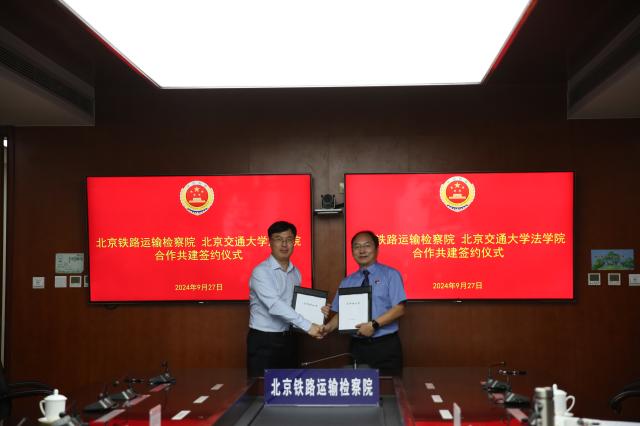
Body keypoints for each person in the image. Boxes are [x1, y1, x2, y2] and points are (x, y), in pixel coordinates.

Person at [321, 230, 407, 375]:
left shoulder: (391, 275)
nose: (362, 250)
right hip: (358, 347)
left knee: (388, 387)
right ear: (352, 251)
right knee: (359, 388)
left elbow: (400, 308)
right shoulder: (347, 281)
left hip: (385, 345)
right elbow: (342, 314)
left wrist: (373, 325)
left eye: (367, 245)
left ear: (376, 249)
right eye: (357, 246)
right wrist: (328, 328)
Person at [247, 220, 323, 377]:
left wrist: (319, 311)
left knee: (288, 386)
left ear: (294, 242)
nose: (284, 244)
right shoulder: (261, 272)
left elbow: (294, 306)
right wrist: (309, 326)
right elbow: (275, 305)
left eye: (289, 239)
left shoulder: (296, 273)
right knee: (262, 388)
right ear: (270, 242)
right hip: (264, 340)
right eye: (278, 239)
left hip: (289, 338)